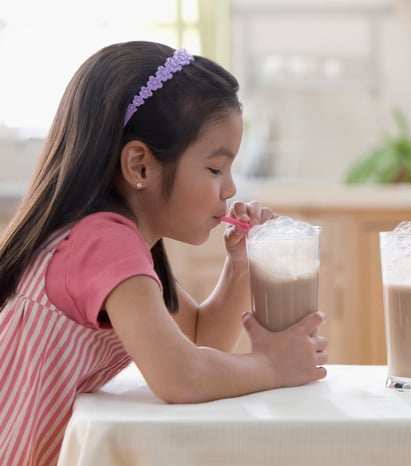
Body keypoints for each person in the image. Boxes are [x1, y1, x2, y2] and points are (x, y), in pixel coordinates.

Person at [0, 41, 328, 466]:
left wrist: (239, 266)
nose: (230, 189)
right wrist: (270, 365)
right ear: (140, 166)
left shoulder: (113, 240)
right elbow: (181, 376)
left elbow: (195, 337)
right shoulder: (103, 242)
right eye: (215, 169)